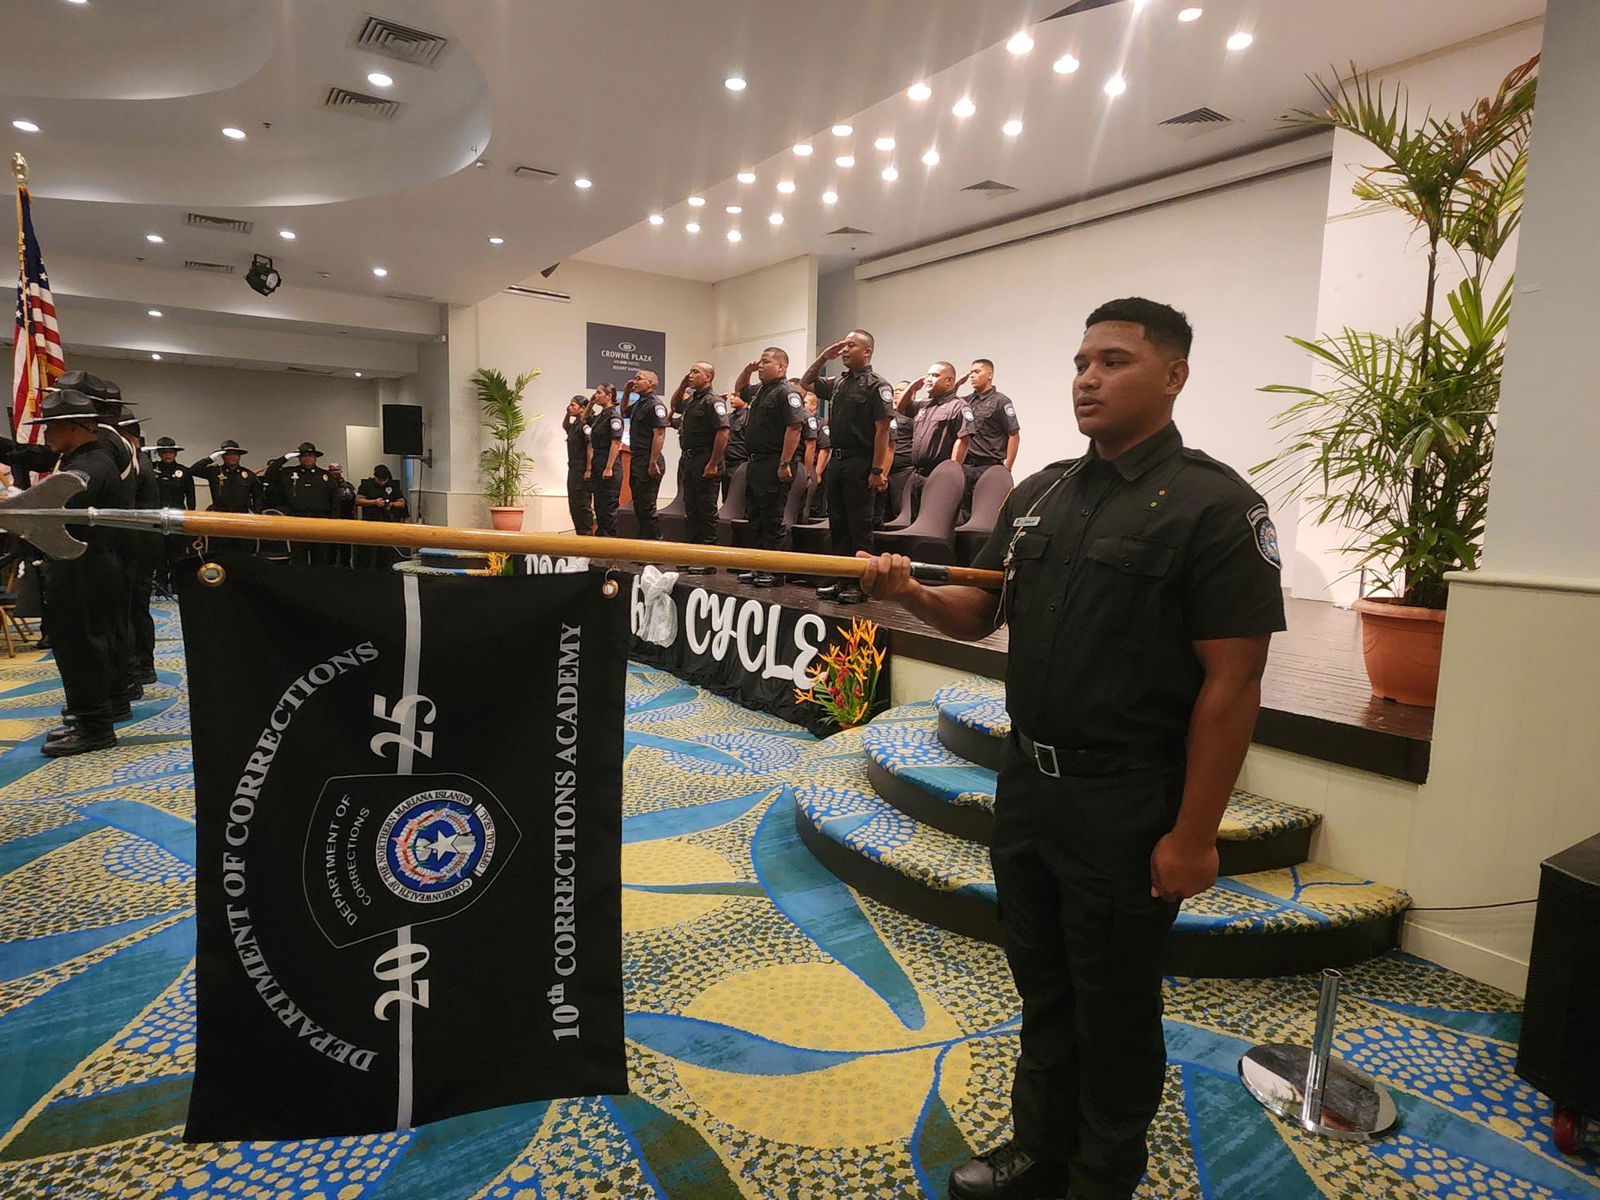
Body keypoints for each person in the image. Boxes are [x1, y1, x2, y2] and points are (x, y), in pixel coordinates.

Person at [860, 298, 1285, 1200]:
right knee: (1045, 985)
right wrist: (910, 593)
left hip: (1129, 802)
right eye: (1083, 360)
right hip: (1032, 788)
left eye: (1115, 361)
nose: (1088, 378)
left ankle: (1102, 1173)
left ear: (1173, 375)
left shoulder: (1216, 508)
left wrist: (1195, 835)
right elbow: (983, 613)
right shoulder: (1041, 490)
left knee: (1116, 1001)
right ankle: (1038, 1146)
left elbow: (1233, 685)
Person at [25, 389, 127, 756]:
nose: (45, 435)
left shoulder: (92, 464)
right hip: (86, 560)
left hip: (85, 561)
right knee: (83, 641)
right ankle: (92, 715)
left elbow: (53, 498)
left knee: (81, 643)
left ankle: (94, 725)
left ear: (73, 427)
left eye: (50, 426)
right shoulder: (87, 458)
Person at [799, 330, 894, 604]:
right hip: (838, 463)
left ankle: (861, 585)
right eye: (844, 345)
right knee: (838, 525)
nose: (845, 350)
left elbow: (882, 431)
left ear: (867, 352)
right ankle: (842, 579)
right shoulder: (839, 382)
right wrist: (822, 357)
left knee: (859, 527)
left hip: (861, 462)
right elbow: (806, 382)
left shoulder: (878, 386)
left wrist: (877, 470)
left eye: (851, 346)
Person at [733, 348, 804, 587]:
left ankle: (774, 571)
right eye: (760, 362)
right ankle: (757, 567)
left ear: (781, 368)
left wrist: (785, 462)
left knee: (772, 518)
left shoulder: (787, 393)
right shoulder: (761, 391)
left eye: (766, 362)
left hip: (775, 461)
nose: (761, 366)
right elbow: (740, 389)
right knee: (755, 517)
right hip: (756, 462)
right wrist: (747, 371)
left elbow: (794, 428)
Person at [669, 363, 729, 574]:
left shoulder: (713, 401)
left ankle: (708, 559)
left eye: (695, 372)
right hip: (690, 460)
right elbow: (675, 405)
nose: (690, 374)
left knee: (706, 511)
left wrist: (713, 463)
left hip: (706, 459)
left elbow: (722, 432)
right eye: (690, 370)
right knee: (691, 510)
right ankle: (692, 554)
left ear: (708, 377)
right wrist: (683, 383)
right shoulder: (693, 400)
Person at [117, 417, 162, 690]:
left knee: (136, 609)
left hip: (139, 547)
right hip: (138, 545)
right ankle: (140, 664)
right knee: (133, 609)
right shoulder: (135, 461)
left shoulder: (137, 463)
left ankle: (143, 664)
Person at [954, 358, 1022, 512]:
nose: (972, 376)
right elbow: (949, 401)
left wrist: (1007, 468)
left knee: (985, 514)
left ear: (990, 375)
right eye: (971, 372)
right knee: (960, 514)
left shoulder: (1001, 401)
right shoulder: (966, 401)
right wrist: (957, 383)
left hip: (989, 466)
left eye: (977, 372)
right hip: (965, 467)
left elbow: (1014, 434)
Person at [265, 442, 337, 565]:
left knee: (321, 557)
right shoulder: (289, 473)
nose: (307, 458)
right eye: (303, 456)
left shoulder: (325, 475)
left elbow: (335, 500)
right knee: (298, 557)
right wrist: (286, 457)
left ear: (315, 457)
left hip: (320, 520)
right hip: (297, 519)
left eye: (310, 455)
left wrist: (334, 521)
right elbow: (270, 473)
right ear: (299, 458)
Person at [189, 439, 264, 555]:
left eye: (235, 454)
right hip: (220, 517)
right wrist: (210, 459)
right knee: (219, 551)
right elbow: (193, 470)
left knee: (243, 552)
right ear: (222, 456)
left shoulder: (248, 475)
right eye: (228, 454)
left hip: (242, 518)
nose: (232, 457)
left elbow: (258, 496)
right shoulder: (214, 471)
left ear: (239, 457)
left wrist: (256, 514)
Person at [624, 370, 667, 540]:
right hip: (637, 459)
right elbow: (624, 412)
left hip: (649, 459)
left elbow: (659, 435)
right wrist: (627, 392)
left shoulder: (655, 405)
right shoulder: (639, 403)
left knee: (647, 508)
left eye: (639, 379)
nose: (635, 381)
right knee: (640, 508)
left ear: (650, 383)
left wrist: (653, 462)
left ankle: (656, 548)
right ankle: (644, 549)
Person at [586, 385, 624, 536]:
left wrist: (609, 467)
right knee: (599, 506)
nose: (596, 395)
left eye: (599, 392)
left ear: (609, 396)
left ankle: (609, 545)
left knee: (608, 507)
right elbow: (584, 419)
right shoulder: (600, 417)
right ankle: (600, 544)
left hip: (609, 461)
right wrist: (590, 403)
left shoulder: (614, 417)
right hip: (598, 460)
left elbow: (615, 443)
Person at [876, 381, 914, 528]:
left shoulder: (915, 414)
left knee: (900, 510)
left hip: (903, 471)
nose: (897, 392)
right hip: (883, 469)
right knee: (881, 511)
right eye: (896, 390)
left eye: (902, 390)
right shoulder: (886, 414)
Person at [355, 464, 407, 569]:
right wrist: (374, 502)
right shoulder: (366, 485)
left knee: (385, 551)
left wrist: (391, 504)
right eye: (380, 480)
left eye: (385, 480)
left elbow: (402, 503)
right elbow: (358, 500)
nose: (382, 482)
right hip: (369, 522)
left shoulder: (392, 486)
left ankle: (385, 570)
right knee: (368, 551)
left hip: (387, 522)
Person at [562, 394, 594, 535]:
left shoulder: (585, 425)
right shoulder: (575, 424)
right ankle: (579, 532)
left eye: (573, 405)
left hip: (582, 468)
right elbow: (565, 426)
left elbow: (590, 447)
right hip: (573, 468)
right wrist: (567, 413)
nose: (570, 407)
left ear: (582, 408)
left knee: (581, 503)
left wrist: (588, 469)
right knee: (573, 503)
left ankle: (586, 533)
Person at [720, 388, 750, 503]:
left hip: (740, 463)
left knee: (739, 500)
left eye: (735, 396)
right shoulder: (729, 417)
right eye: (731, 395)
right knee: (726, 499)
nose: (732, 398)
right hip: (726, 464)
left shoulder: (748, 417)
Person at [328, 462, 358, 567]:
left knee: (345, 546)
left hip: (346, 517)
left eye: (337, 470)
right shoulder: (324, 484)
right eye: (332, 470)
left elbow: (354, 503)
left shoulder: (347, 486)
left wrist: (355, 519)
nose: (335, 472)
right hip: (330, 519)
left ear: (341, 471)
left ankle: (346, 567)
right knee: (330, 547)